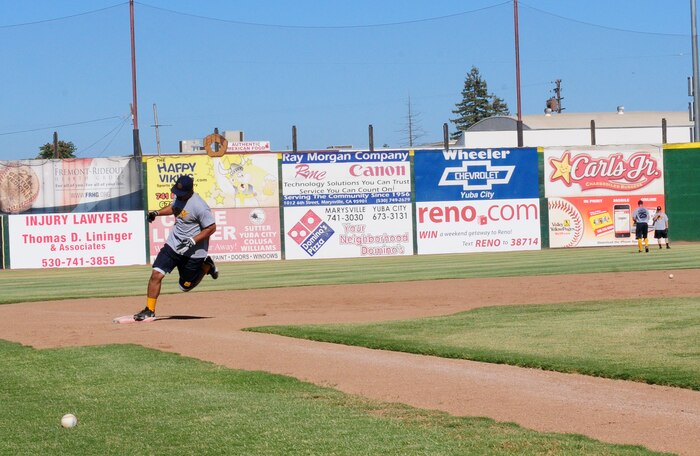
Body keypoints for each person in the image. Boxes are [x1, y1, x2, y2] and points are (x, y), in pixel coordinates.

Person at [134, 174, 219, 321]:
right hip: (173, 245)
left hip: (193, 253)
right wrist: (157, 213)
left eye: (181, 194)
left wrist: (193, 240)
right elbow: (174, 208)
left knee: (185, 286)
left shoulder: (200, 206)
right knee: (156, 274)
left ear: (189, 191)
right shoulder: (180, 197)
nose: (178, 196)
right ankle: (149, 310)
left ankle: (206, 266)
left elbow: (211, 228)